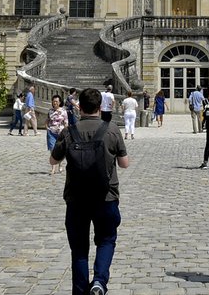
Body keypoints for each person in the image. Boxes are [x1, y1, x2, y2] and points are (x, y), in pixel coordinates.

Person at [50, 87, 130, 295]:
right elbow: (124, 164)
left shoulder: (69, 131)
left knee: (78, 250)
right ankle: (99, 282)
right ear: (100, 106)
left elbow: (53, 160)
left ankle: (80, 291)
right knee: (106, 240)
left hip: (76, 198)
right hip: (106, 196)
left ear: (79, 107)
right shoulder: (111, 129)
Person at [46, 94, 69, 173]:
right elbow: (47, 120)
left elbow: (66, 122)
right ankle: (53, 168)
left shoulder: (63, 111)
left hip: (60, 133)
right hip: (51, 132)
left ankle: (60, 164)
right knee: (52, 149)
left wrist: (66, 132)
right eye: (53, 101)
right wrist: (47, 128)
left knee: (60, 149)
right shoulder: (50, 111)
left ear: (59, 102)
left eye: (56, 101)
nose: (55, 103)